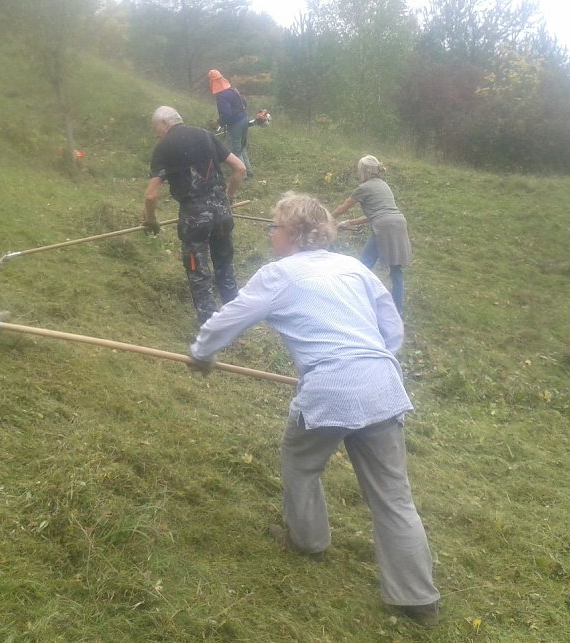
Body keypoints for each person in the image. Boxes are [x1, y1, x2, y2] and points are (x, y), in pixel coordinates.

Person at [188, 193, 441, 624]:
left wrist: (201, 353)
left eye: (274, 227)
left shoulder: (279, 275)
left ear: (292, 233)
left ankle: (307, 541)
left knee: (300, 463)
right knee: (394, 496)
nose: (270, 235)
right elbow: (391, 326)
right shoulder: (353, 268)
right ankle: (418, 599)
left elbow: (230, 317)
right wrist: (371, 361)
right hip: (382, 384)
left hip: (330, 390)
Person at [142, 106, 247, 324]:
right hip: (222, 214)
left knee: (199, 274)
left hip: (195, 220)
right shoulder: (205, 135)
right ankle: (236, 322)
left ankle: (210, 328)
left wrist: (151, 220)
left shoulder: (164, 147)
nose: (155, 134)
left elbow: (151, 195)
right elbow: (240, 168)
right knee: (225, 268)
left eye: (155, 128)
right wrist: (227, 197)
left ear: (164, 123)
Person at [331, 155, 413, 316]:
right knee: (396, 270)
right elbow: (375, 214)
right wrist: (349, 223)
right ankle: (397, 311)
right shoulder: (384, 185)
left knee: (364, 264)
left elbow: (343, 208)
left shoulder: (363, 188)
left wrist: (326, 218)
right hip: (398, 223)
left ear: (364, 171)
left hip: (384, 226)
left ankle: (352, 300)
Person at [207, 69, 252, 177]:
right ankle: (249, 171)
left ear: (212, 82)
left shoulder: (221, 95)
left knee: (236, 149)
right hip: (244, 118)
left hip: (235, 123)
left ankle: (243, 175)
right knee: (241, 147)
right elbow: (244, 103)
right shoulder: (233, 90)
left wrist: (218, 123)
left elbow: (227, 114)